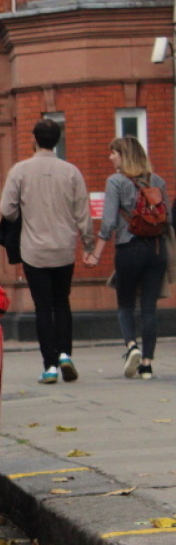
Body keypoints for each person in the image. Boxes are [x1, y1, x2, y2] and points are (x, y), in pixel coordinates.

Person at [0, 119, 94, 384]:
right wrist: (88, 244)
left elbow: (6, 209)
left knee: (43, 307)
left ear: (34, 139)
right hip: (64, 248)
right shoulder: (71, 172)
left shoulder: (20, 171)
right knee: (62, 302)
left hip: (34, 250)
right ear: (57, 140)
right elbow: (83, 214)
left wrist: (24, 213)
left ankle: (49, 366)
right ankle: (65, 354)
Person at [84, 136, 171, 379]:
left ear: (124, 156)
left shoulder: (116, 181)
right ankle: (147, 364)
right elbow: (168, 221)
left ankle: (131, 346)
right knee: (149, 309)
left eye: (113, 153)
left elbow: (109, 222)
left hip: (129, 249)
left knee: (125, 304)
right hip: (156, 250)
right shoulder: (159, 181)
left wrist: (96, 253)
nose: (110, 157)